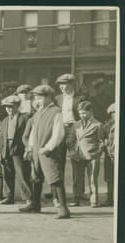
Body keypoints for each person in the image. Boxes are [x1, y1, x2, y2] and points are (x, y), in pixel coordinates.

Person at [20, 85, 70, 219]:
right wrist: (30, 148)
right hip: (36, 150)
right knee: (35, 177)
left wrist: (48, 148)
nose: (37, 100)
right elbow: (33, 133)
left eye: (40, 97)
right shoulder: (38, 113)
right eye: (36, 97)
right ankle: (35, 205)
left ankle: (63, 208)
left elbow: (58, 134)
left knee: (55, 178)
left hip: (49, 151)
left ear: (48, 97)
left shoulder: (56, 112)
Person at [67, 101, 104, 207]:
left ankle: (94, 201)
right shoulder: (76, 124)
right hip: (78, 156)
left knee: (92, 179)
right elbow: (71, 140)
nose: (82, 115)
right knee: (77, 180)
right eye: (80, 113)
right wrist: (72, 152)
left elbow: (101, 142)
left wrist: (97, 153)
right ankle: (76, 199)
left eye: (84, 113)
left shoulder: (98, 125)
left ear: (91, 111)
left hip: (91, 156)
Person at [0, 95, 32, 205]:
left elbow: (29, 135)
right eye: (7, 107)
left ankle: (28, 198)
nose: (9, 109)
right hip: (6, 149)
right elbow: (1, 137)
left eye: (11, 106)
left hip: (19, 149)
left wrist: (28, 149)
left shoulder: (24, 118)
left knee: (23, 173)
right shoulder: (5, 120)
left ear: (17, 106)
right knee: (7, 173)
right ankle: (9, 196)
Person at [55, 73, 85, 201]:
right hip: (60, 129)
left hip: (75, 129)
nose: (62, 87)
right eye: (60, 84)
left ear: (72, 84)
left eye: (64, 84)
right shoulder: (57, 99)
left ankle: (78, 193)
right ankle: (58, 192)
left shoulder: (80, 98)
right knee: (58, 161)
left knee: (76, 160)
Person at [103, 103, 115, 206]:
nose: (114, 114)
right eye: (112, 113)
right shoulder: (107, 125)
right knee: (109, 177)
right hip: (109, 154)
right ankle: (110, 198)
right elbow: (102, 137)